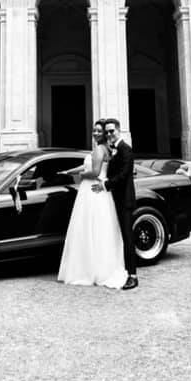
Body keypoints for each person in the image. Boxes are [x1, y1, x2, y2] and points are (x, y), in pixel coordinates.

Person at [57, 122, 127, 289]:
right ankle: (99, 267)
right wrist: (70, 171)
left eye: (99, 131)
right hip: (101, 192)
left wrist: (80, 175)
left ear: (104, 134)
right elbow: (90, 165)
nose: (95, 133)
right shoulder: (105, 149)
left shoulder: (99, 149)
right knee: (100, 230)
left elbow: (94, 172)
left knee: (88, 228)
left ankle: (89, 270)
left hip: (91, 190)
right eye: (94, 130)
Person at [93, 118, 138, 290]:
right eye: (107, 132)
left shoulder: (126, 149)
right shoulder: (113, 149)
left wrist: (105, 184)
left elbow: (124, 175)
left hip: (125, 200)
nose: (109, 134)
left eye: (112, 131)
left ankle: (133, 276)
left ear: (119, 131)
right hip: (114, 199)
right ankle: (119, 269)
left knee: (127, 238)